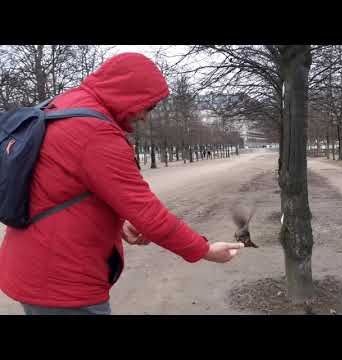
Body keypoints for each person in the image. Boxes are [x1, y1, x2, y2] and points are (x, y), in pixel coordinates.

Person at [0, 52, 244, 315]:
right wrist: (204, 249)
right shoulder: (95, 132)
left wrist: (118, 222)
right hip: (62, 280)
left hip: (35, 265)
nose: (144, 117)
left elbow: (61, 187)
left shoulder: (64, 105)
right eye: (147, 107)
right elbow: (149, 214)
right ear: (128, 93)